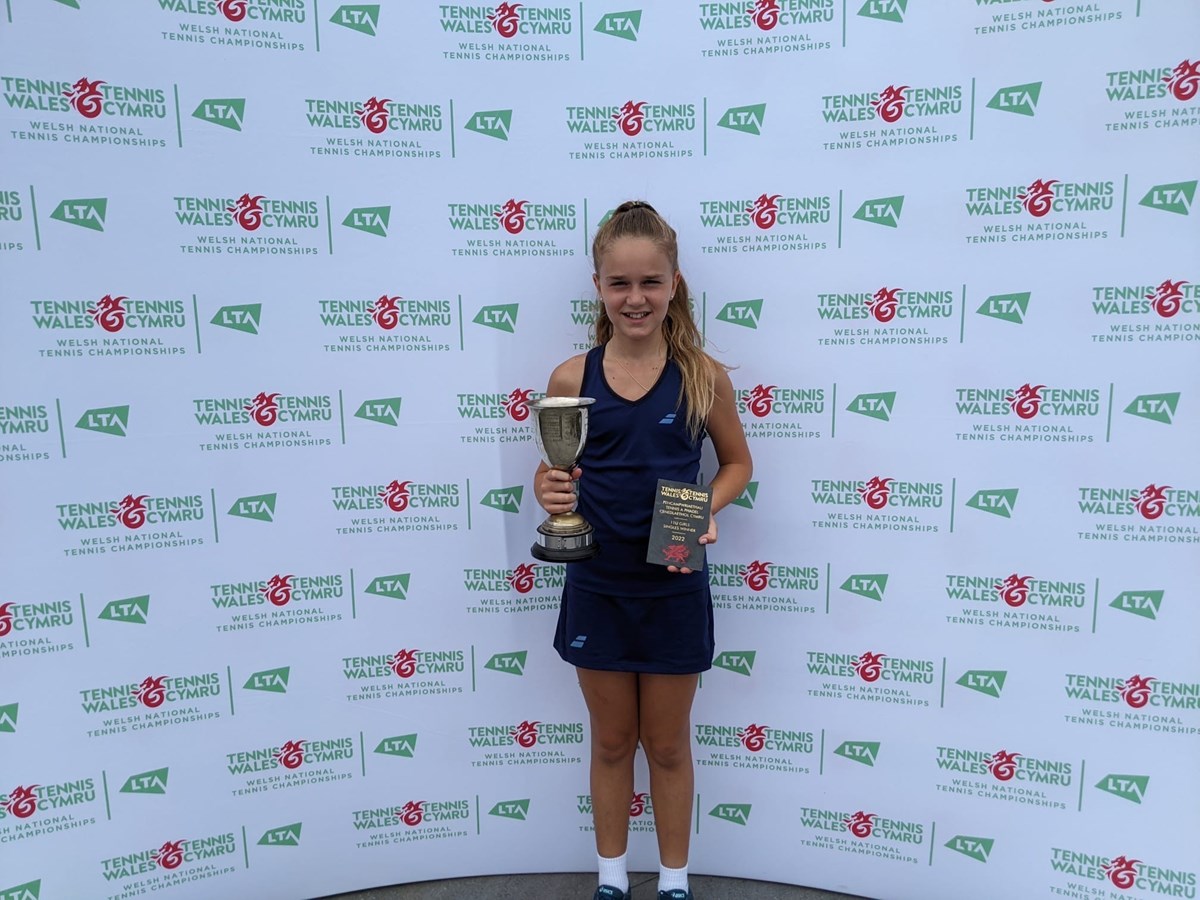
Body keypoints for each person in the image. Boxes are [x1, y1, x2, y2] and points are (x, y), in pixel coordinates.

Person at [534, 201, 753, 900]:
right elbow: (555, 475)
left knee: (665, 745)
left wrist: (702, 509)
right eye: (620, 284)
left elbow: (736, 465)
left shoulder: (703, 376)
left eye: (650, 283)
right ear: (597, 286)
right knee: (608, 743)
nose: (636, 298)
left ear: (675, 284)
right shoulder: (571, 377)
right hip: (596, 581)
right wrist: (549, 490)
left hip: (674, 583)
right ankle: (609, 880)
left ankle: (675, 882)